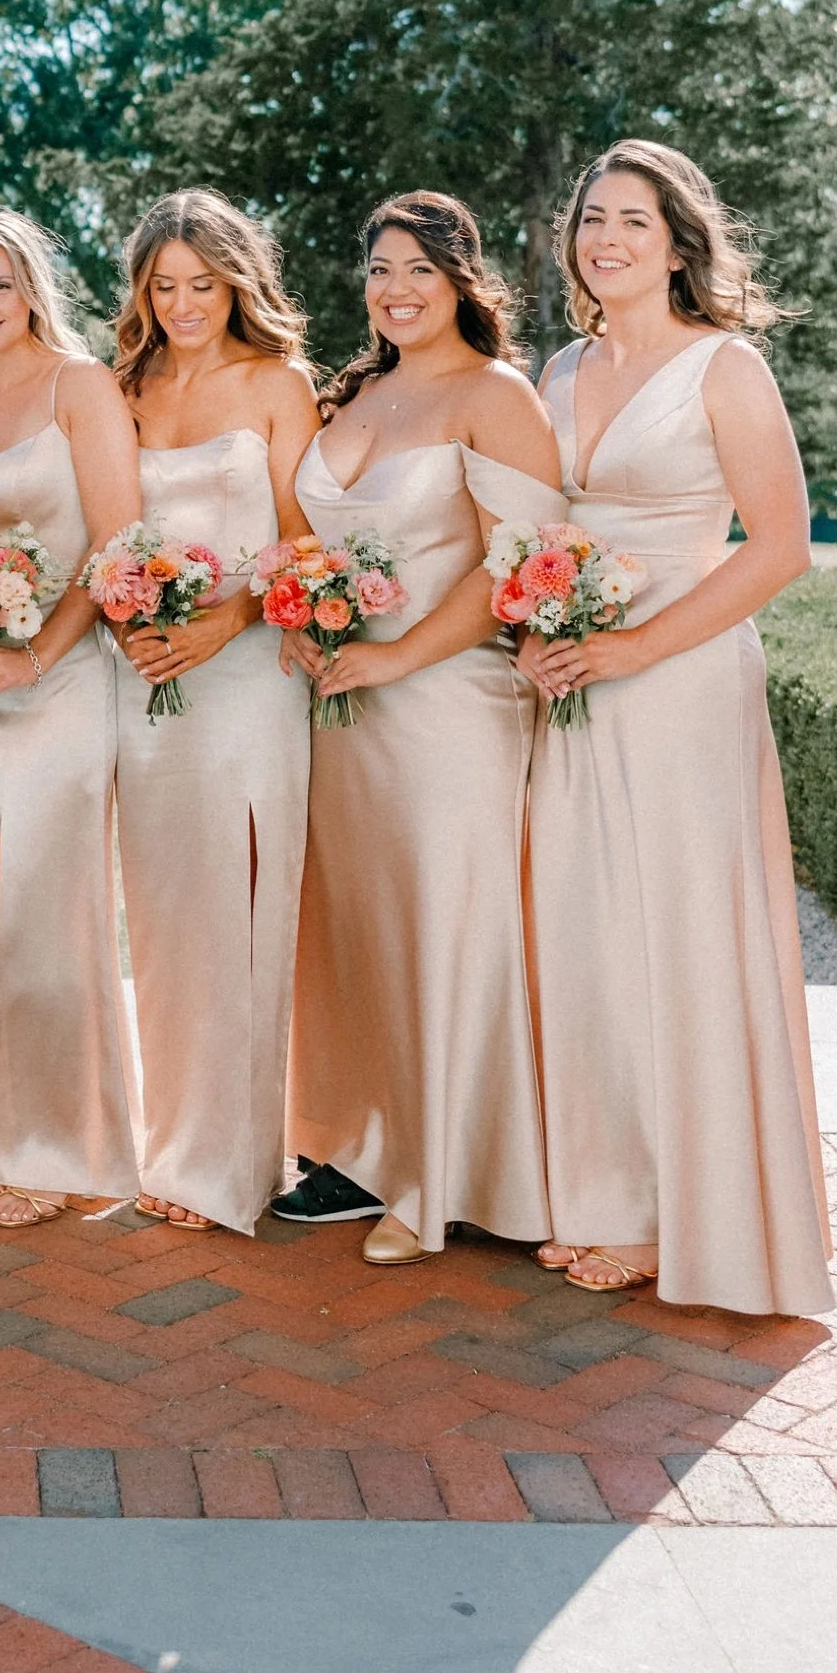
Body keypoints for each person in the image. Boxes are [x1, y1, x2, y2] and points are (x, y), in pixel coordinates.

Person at [520, 144, 831, 1313]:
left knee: (681, 932)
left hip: (684, 677)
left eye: (632, 221)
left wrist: (634, 648)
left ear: (677, 241)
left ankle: (681, 1212)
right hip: (569, 679)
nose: (606, 238)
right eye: (592, 217)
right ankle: (605, 1190)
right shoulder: (555, 367)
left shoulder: (723, 365)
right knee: (585, 931)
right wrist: (536, 634)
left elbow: (782, 544)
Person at [277, 191, 556, 1266]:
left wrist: (394, 655)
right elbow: (312, 546)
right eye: (380, 269)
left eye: (418, 272)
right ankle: (359, 1148)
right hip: (341, 704)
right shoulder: (358, 393)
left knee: (442, 919)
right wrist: (304, 626)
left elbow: (518, 564)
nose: (395, 289)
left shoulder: (494, 393)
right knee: (359, 930)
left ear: (460, 281)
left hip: (445, 704)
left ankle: (444, 1176)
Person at [0, 208, 142, 1228]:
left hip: (58, 679)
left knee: (41, 909)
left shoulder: (79, 387)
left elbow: (114, 542)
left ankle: (55, 1147)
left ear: (30, 288)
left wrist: (34, 652)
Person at [111, 191, 319, 1234]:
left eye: (202, 282)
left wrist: (225, 619)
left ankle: (236, 1162)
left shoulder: (277, 383)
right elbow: (100, 535)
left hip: (246, 679)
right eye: (164, 284)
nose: (184, 302)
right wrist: (129, 625)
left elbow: (303, 542)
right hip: (144, 678)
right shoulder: (124, 387)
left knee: (242, 906)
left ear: (237, 280)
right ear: (142, 291)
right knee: (165, 916)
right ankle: (172, 1142)